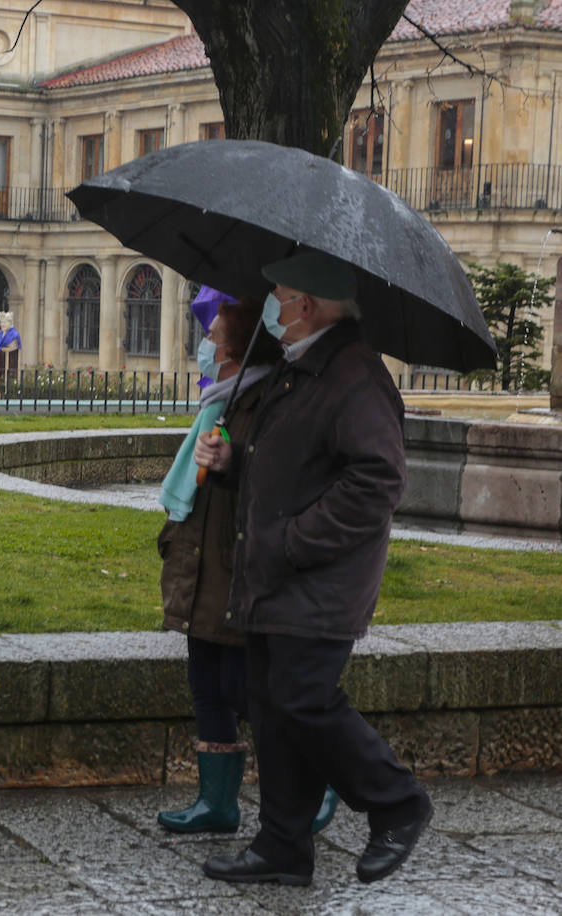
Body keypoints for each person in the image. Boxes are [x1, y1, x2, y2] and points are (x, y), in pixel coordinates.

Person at [194, 250, 433, 887]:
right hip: (279, 577)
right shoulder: (303, 369)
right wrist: (233, 463)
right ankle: (282, 845)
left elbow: (377, 480)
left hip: (317, 581)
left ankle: (398, 803)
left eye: (280, 292)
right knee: (270, 705)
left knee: (303, 700)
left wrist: (294, 543)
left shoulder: (353, 374)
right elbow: (294, 464)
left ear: (309, 306)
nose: (269, 301)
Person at [156, 293, 283, 834]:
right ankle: (217, 802)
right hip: (200, 557)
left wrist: (230, 461)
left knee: (240, 686)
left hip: (231, 561)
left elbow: (270, 477)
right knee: (204, 680)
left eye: (214, 335)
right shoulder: (221, 399)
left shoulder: (265, 399)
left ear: (236, 344)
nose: (206, 344)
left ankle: (314, 776)